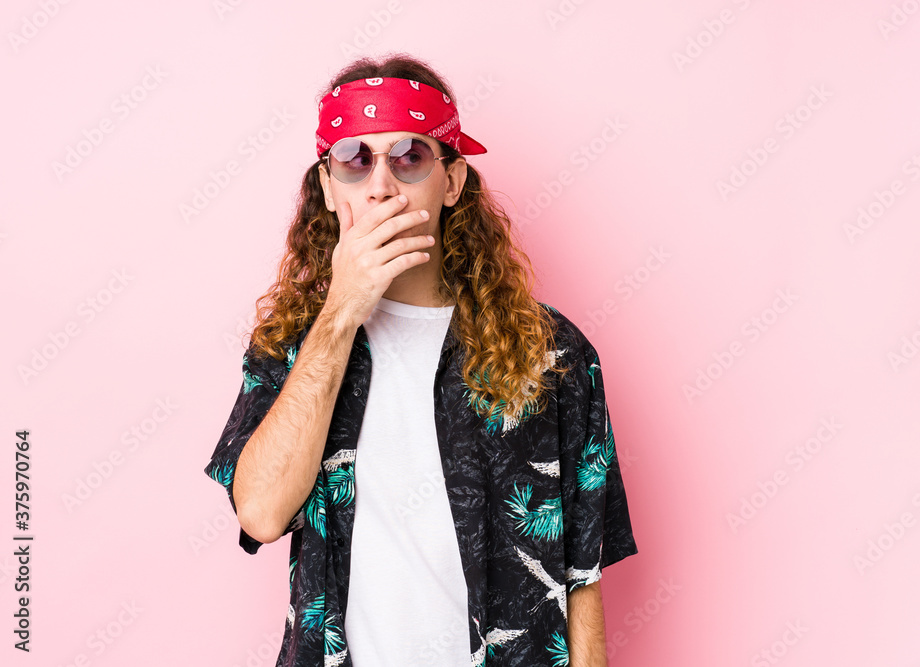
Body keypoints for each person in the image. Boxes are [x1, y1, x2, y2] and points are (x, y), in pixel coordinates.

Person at [204, 53, 638, 667]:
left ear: (453, 180)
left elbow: (582, 573)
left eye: (410, 156)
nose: (381, 183)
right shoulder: (290, 346)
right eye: (355, 158)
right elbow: (262, 512)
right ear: (328, 188)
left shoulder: (551, 352)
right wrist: (339, 314)